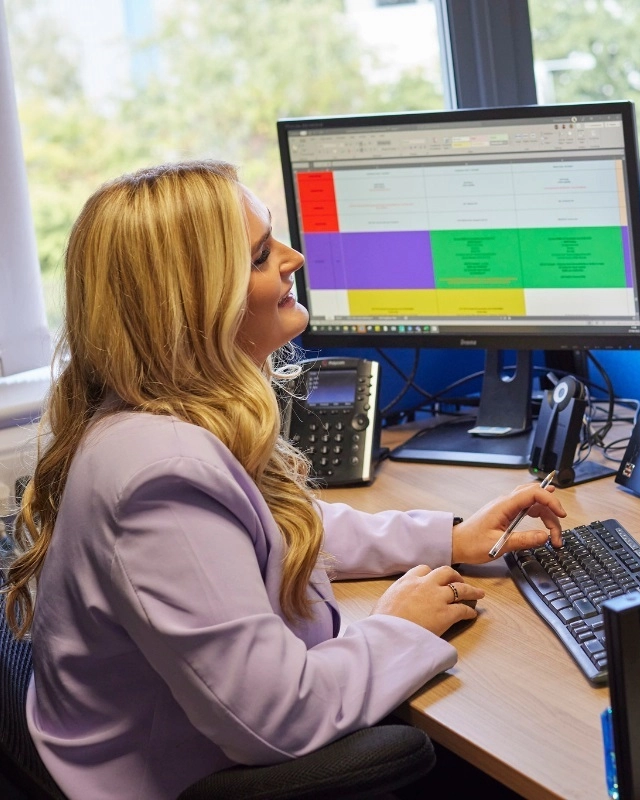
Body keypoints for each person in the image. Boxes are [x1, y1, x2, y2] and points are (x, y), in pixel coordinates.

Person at [2, 160, 566, 800]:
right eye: (262, 254)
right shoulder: (159, 475)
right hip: (181, 776)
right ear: (196, 300)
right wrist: (397, 626)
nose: (295, 257)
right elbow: (277, 722)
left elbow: (267, 528)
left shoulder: (160, 412)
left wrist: (447, 537)